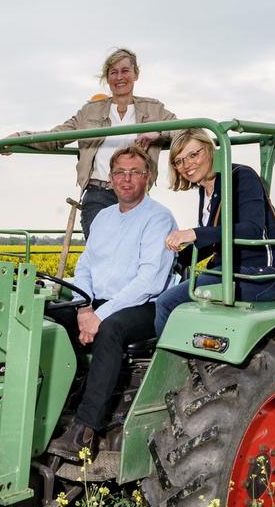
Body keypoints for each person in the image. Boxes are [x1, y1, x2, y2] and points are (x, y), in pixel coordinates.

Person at [47, 145, 177, 461]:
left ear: (148, 177)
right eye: (120, 172)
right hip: (97, 304)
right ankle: (54, 404)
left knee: (111, 331)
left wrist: (98, 316)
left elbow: (149, 282)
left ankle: (84, 431)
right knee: (48, 316)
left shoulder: (159, 218)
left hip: (145, 306)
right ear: (111, 178)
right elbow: (85, 267)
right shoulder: (103, 217)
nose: (126, 179)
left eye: (135, 172)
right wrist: (82, 307)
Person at [8, 47, 177, 238]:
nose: (119, 77)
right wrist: (19, 138)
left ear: (136, 74)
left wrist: (159, 133)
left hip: (135, 194)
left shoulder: (154, 109)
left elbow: (185, 130)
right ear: (107, 78)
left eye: (125, 71)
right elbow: (56, 137)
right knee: (100, 253)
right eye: (113, 72)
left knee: (135, 251)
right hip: (99, 193)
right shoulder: (90, 112)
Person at [153, 129, 275, 336]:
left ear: (210, 150)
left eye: (193, 155)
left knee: (166, 303)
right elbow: (214, 240)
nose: (187, 165)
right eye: (179, 161)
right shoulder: (205, 189)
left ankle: (169, 364)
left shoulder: (241, 176)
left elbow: (252, 230)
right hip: (228, 271)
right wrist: (174, 260)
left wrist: (195, 233)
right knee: (163, 289)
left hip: (260, 273)